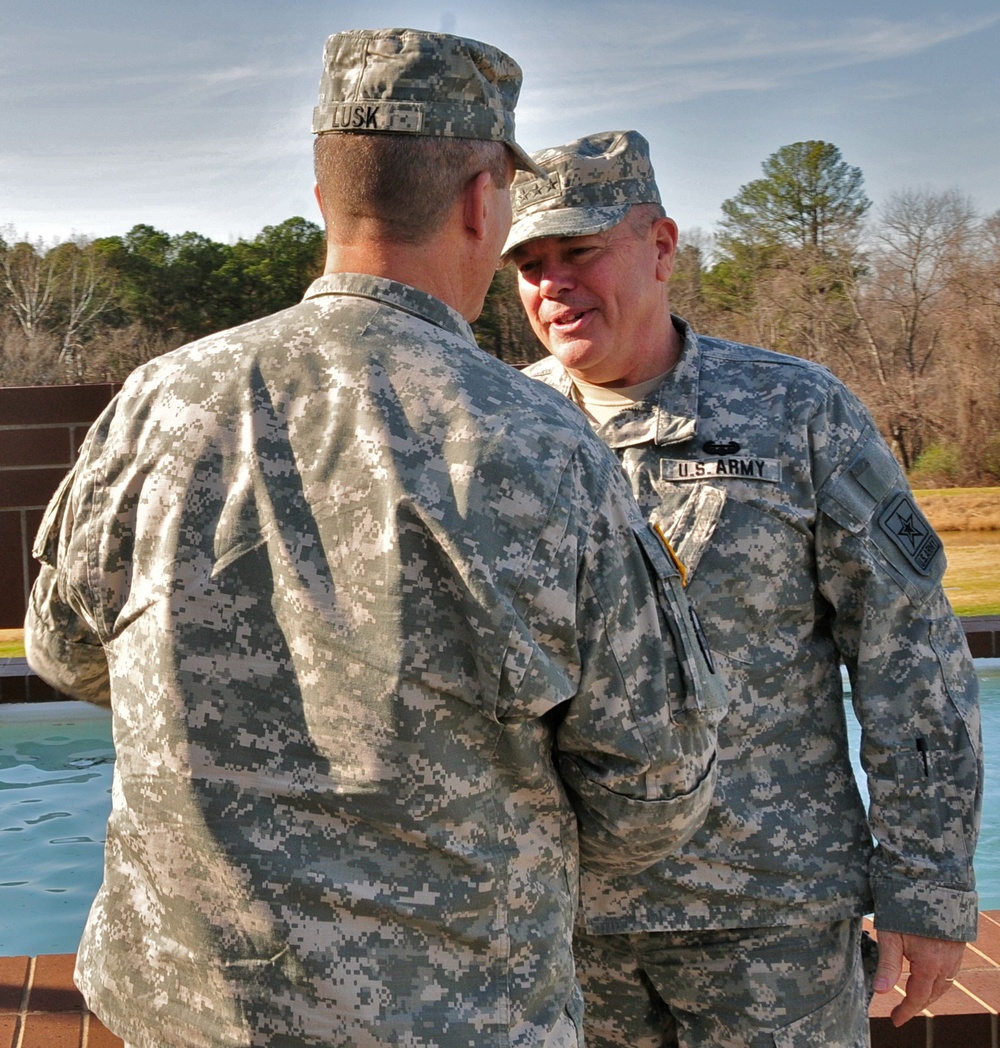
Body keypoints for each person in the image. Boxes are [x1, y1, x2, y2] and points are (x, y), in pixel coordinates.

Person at [23, 36, 727, 1048]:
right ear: (485, 201)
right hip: (452, 1012)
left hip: (185, 1007)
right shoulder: (543, 445)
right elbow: (653, 784)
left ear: (323, 193)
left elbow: (64, 649)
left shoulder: (160, 401)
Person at [503, 129, 983, 1048]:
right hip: (556, 923)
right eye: (529, 263)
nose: (551, 285)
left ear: (662, 244)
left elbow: (908, 657)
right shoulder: (497, 429)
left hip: (770, 917)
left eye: (580, 252)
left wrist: (927, 886)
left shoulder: (797, 411)